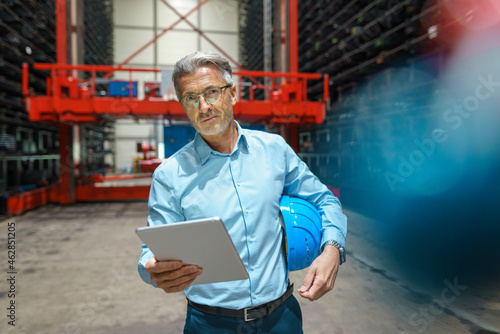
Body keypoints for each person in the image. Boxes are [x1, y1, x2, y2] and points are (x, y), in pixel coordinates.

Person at [138, 51, 347, 333]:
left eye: (212, 92)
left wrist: (332, 249)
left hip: (281, 318)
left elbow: (325, 200)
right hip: (211, 323)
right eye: (191, 98)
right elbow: (153, 246)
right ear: (183, 105)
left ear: (232, 93)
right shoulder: (170, 175)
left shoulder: (274, 150)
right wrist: (152, 269)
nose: (203, 106)